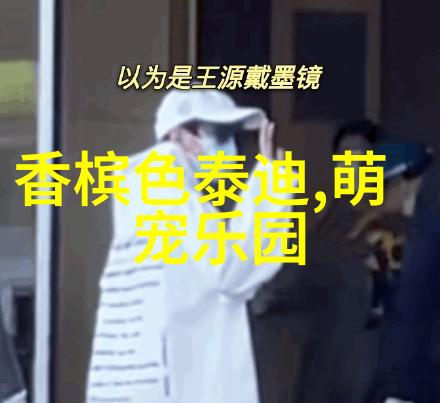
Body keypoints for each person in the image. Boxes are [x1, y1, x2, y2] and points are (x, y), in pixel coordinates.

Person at [86, 89, 293, 403]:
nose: (230, 147)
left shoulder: (142, 189)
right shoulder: (168, 181)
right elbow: (229, 270)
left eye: (232, 135)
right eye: (218, 134)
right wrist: (271, 186)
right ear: (177, 134)